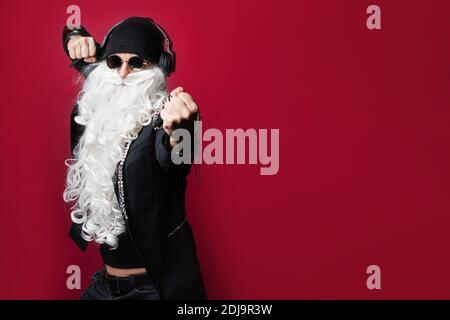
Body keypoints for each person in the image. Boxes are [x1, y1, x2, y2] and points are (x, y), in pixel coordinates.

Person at [61, 16, 207, 300]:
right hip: (104, 287)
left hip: (155, 290)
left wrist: (183, 129)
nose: (124, 73)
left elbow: (177, 157)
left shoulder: (162, 122)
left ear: (159, 69)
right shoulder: (96, 112)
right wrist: (73, 36)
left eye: (137, 63)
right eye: (114, 62)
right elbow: (72, 36)